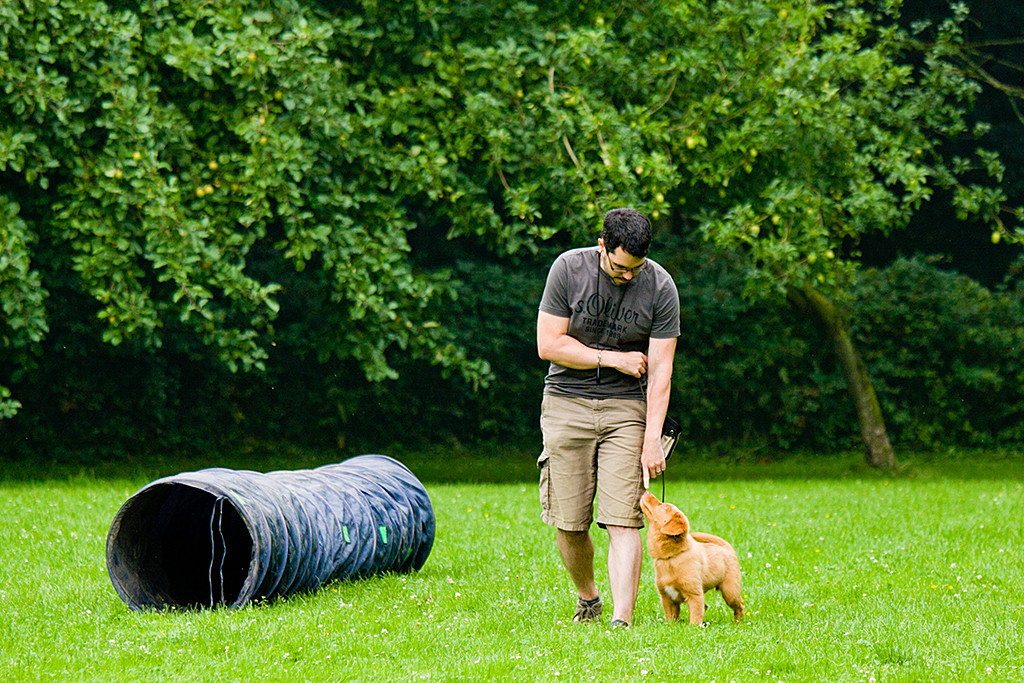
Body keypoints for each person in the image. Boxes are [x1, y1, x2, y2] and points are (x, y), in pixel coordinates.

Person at [536, 207, 680, 628]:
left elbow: (662, 369)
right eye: (619, 267)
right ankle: (589, 598)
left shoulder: (660, 286)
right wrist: (613, 359)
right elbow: (549, 344)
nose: (628, 277)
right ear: (603, 246)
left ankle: (622, 621)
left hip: (625, 409)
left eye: (635, 268)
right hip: (566, 399)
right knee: (570, 521)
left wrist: (653, 436)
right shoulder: (568, 269)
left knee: (624, 518)